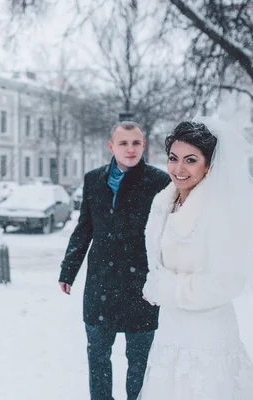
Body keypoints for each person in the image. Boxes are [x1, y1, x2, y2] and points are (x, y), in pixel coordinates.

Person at [138, 118, 253, 399]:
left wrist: (168, 287)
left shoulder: (220, 212)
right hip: (170, 330)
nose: (178, 168)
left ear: (209, 166)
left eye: (190, 160)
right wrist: (154, 281)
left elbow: (228, 281)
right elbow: (159, 261)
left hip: (206, 336)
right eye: (173, 158)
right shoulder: (164, 202)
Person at [59, 121, 171, 400]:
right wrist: (67, 271)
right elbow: (84, 228)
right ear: (111, 147)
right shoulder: (93, 179)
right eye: (123, 143)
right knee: (97, 358)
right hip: (101, 285)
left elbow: (168, 234)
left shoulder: (160, 181)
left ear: (143, 145)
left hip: (141, 287)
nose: (130, 149)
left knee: (140, 361)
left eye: (135, 143)